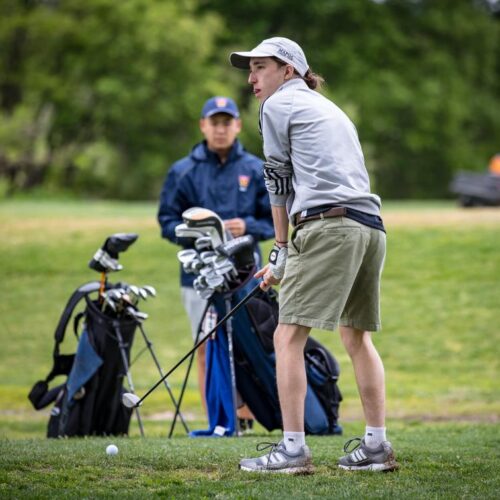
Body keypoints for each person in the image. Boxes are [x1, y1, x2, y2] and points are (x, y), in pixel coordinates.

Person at [229, 37, 398, 473]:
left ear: (288, 71)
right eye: (250, 69)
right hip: (369, 226)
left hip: (328, 226)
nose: (251, 78)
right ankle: (376, 446)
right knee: (355, 336)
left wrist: (282, 248)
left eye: (260, 67)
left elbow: (277, 181)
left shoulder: (277, 106)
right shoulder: (330, 108)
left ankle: (291, 450)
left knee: (286, 337)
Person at [157, 96, 274, 419]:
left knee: (251, 346)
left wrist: (246, 226)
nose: (220, 129)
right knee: (207, 347)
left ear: (237, 125)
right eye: (214, 122)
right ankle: (218, 418)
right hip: (199, 277)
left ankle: (250, 416)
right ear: (203, 126)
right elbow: (167, 222)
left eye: (227, 122)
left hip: (248, 276)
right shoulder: (183, 171)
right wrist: (201, 232)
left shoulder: (255, 168)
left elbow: (274, 221)